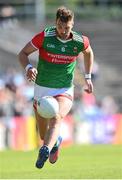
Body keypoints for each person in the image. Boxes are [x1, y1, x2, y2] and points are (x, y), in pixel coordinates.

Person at [18, 6, 94, 169]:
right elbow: (23, 53)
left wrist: (87, 77)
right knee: (44, 134)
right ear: (55, 23)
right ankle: (55, 142)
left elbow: (88, 52)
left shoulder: (79, 41)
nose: (63, 31)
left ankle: (45, 149)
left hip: (64, 88)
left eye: (66, 27)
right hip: (42, 87)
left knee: (57, 117)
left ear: (72, 24)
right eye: (60, 26)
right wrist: (29, 68)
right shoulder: (45, 36)